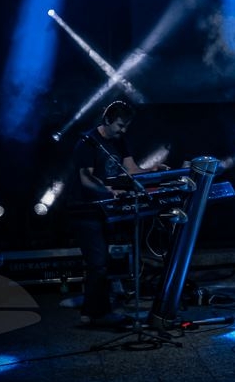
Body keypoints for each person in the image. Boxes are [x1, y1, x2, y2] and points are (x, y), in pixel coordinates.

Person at [65, 101, 168, 327]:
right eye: (120, 125)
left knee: (106, 261)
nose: (123, 130)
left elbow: (131, 170)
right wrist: (109, 190)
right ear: (107, 120)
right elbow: (86, 178)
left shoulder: (119, 141)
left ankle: (96, 311)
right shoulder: (88, 142)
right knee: (98, 262)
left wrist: (152, 172)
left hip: (106, 209)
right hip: (85, 210)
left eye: (127, 126)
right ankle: (92, 314)